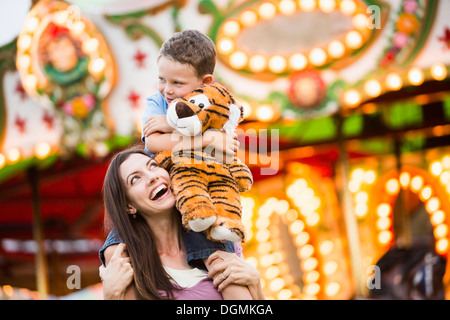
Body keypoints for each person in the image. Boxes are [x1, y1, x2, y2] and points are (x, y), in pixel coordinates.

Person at [98, 147, 264, 300]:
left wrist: (255, 285)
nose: (152, 177)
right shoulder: (130, 266)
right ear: (129, 206)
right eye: (135, 179)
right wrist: (111, 296)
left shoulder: (217, 235)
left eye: (153, 166)